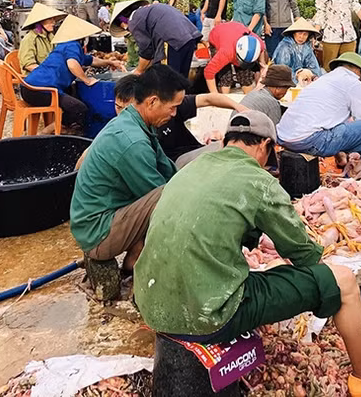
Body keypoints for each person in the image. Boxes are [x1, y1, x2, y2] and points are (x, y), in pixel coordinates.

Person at [134, 110, 361, 396]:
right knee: (343, 282)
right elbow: (304, 254)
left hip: (150, 301)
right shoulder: (259, 181)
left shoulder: (190, 168)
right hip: (209, 314)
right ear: (266, 146)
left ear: (226, 141)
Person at [71, 65, 189, 297]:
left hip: (106, 215)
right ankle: (142, 264)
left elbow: (167, 169)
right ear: (153, 102)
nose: (174, 114)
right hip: (97, 231)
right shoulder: (132, 141)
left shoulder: (135, 122)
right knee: (169, 198)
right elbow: (164, 197)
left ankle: (135, 256)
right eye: (173, 107)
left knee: (182, 180)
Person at [278, 52, 361, 186]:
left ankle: (341, 160)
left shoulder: (324, 80)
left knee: (339, 126)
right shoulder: (352, 82)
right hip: (308, 140)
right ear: (357, 70)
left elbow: (331, 120)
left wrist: (340, 156)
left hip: (285, 138)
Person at [112, 72, 246, 167]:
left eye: (128, 108)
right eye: (118, 107)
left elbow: (207, 99)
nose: (124, 114)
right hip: (177, 166)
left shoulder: (170, 107)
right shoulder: (128, 134)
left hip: (193, 152)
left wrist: (239, 107)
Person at [22, 16, 124, 133]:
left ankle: (60, 128)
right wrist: (87, 80)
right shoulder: (72, 45)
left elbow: (91, 60)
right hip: (38, 90)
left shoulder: (65, 45)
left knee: (75, 96)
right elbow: (72, 64)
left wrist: (110, 62)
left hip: (29, 87)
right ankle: (50, 131)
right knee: (79, 109)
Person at [110, 0, 201, 78]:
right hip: (189, 37)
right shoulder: (148, 11)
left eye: (124, 28)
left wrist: (138, 71)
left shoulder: (134, 20)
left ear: (123, 22)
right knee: (180, 79)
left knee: (169, 81)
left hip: (172, 41)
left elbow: (146, 51)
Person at [204, 21, 268, 94]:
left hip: (236, 30)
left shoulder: (258, 43)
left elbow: (262, 57)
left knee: (245, 76)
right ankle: (224, 99)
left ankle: (247, 98)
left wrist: (262, 66)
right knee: (226, 77)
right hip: (218, 36)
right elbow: (209, 72)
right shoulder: (225, 53)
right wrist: (214, 94)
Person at [18, 3, 66, 75]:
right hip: (36, 78)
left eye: (53, 19)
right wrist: (48, 73)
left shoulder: (51, 37)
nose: (53, 22)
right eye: (50, 19)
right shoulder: (29, 39)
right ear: (40, 22)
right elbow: (29, 65)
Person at [271, 18, 323, 86]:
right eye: (299, 33)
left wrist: (314, 76)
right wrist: (298, 74)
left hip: (304, 79)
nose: (301, 37)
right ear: (293, 34)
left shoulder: (306, 47)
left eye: (305, 34)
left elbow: (313, 65)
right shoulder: (285, 47)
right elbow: (282, 70)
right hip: (285, 80)